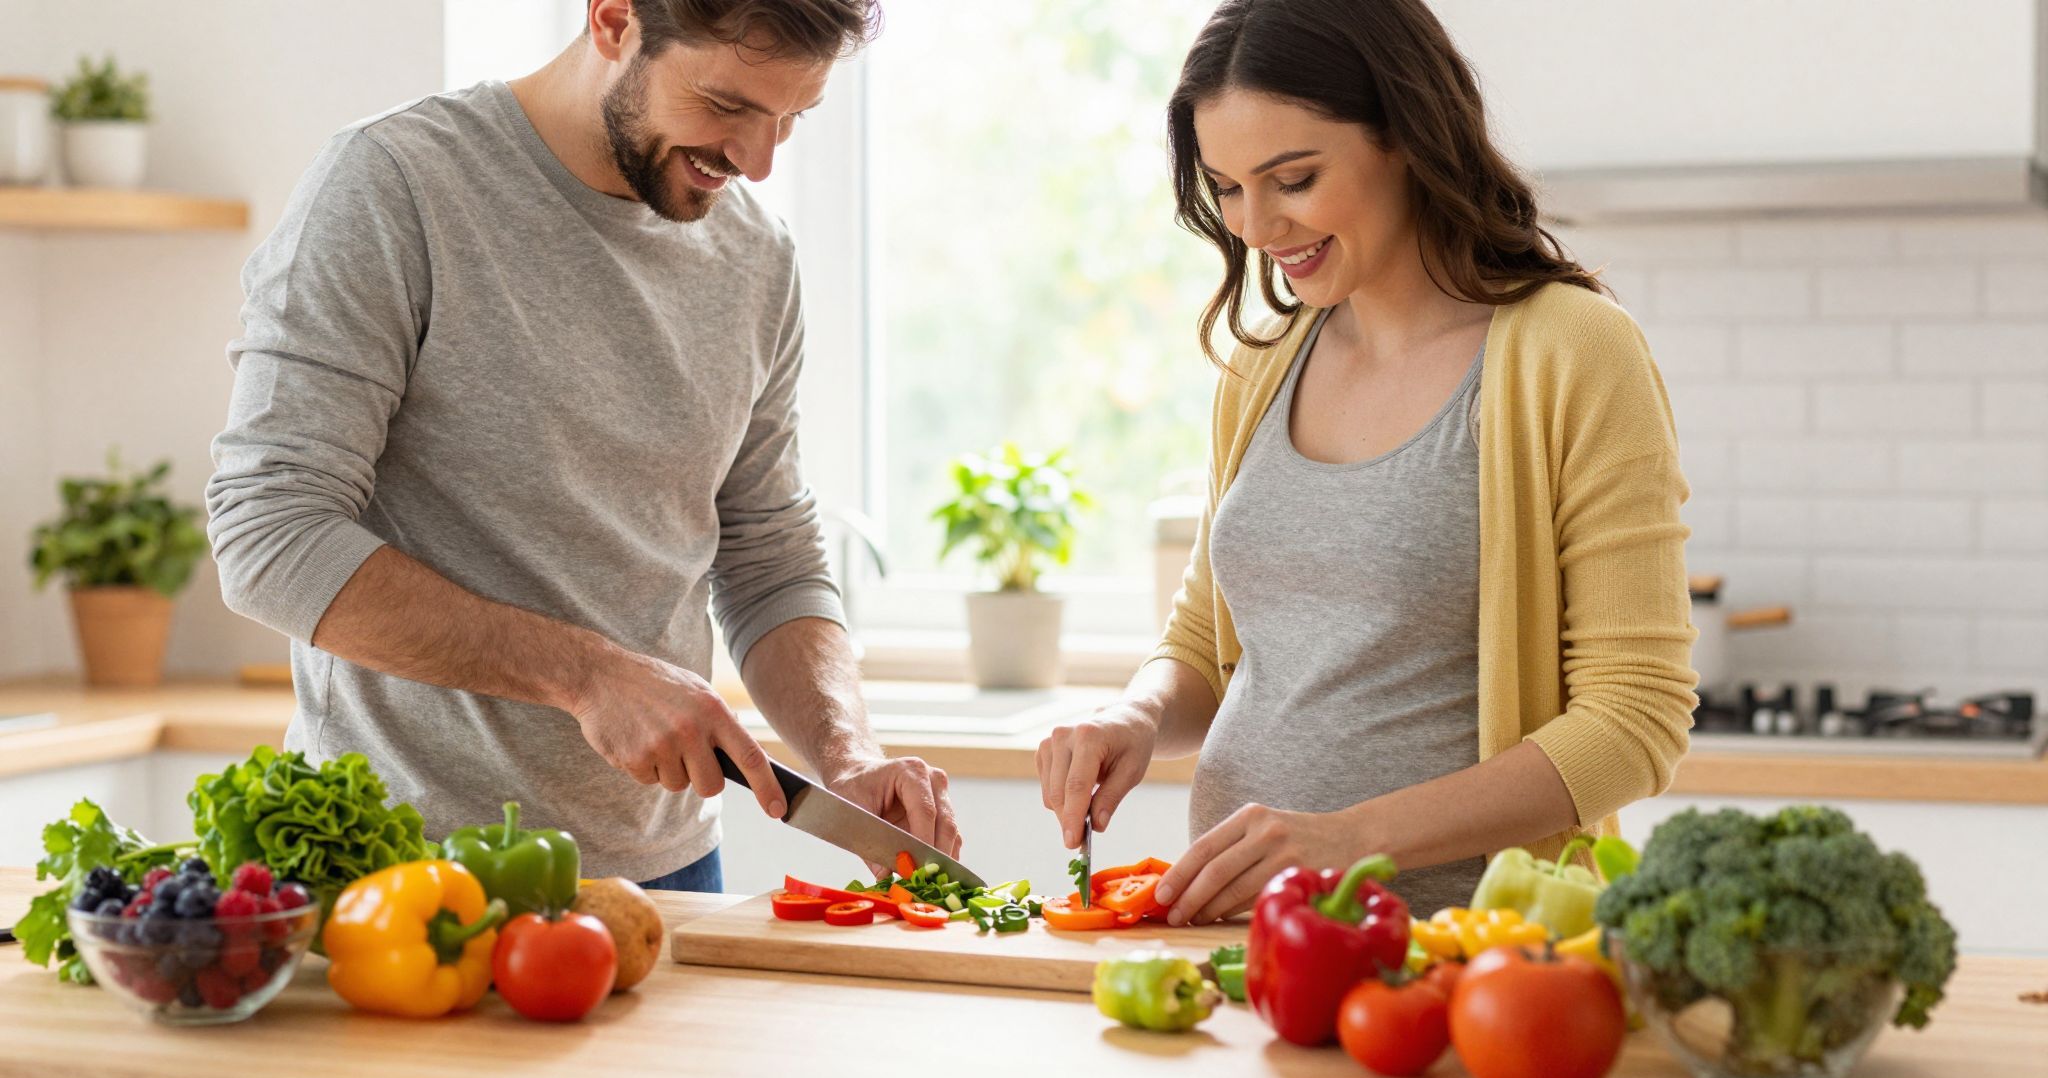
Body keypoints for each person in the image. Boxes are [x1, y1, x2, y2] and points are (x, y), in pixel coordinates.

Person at [207, 0, 959, 893]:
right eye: (727, 106)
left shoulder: (756, 257)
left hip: (669, 867)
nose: (757, 161)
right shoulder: (395, 186)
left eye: (793, 118)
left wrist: (846, 753)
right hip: (403, 866)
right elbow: (268, 534)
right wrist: (588, 677)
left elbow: (766, 553)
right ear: (612, 19)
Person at [1037, 0, 1696, 923]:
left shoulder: (1571, 352)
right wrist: (1138, 716)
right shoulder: (1264, 364)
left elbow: (1635, 721)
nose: (1257, 227)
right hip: (1246, 941)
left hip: (1470, 956)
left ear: (1409, 136)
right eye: (1226, 188)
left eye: (1293, 179)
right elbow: (1206, 642)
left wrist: (1344, 840)